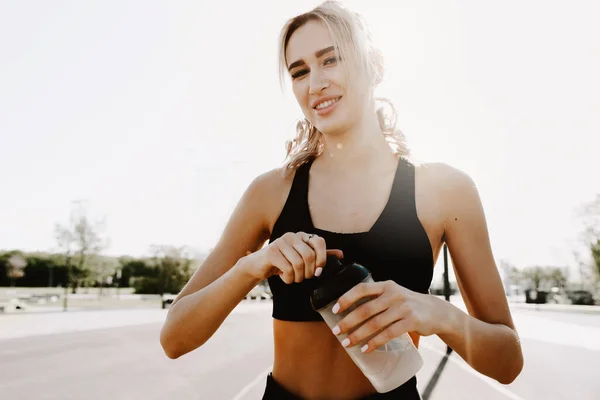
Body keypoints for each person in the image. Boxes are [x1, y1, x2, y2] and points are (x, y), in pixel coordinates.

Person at [159, 1, 524, 399]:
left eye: (330, 60)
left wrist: (437, 313)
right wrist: (253, 266)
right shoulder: (270, 192)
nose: (315, 83)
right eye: (299, 72)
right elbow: (174, 339)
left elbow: (507, 363)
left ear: (375, 65)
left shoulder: (445, 191)